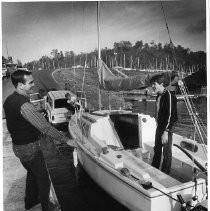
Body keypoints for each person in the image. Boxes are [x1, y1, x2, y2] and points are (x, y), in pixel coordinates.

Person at [3, 70, 76, 211]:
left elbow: (14, 124)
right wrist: (66, 140)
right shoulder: (25, 106)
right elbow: (45, 128)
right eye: (30, 82)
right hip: (30, 148)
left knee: (32, 173)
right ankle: (48, 207)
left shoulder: (8, 101)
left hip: (17, 147)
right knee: (44, 180)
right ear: (20, 85)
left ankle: (30, 202)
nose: (33, 84)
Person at [150, 74, 178, 174]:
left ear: (161, 84)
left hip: (167, 127)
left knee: (166, 152)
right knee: (157, 148)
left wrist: (166, 131)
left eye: (154, 84)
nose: (152, 86)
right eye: (151, 84)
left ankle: (165, 173)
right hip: (160, 126)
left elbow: (171, 115)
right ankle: (154, 169)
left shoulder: (169, 96)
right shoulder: (158, 95)